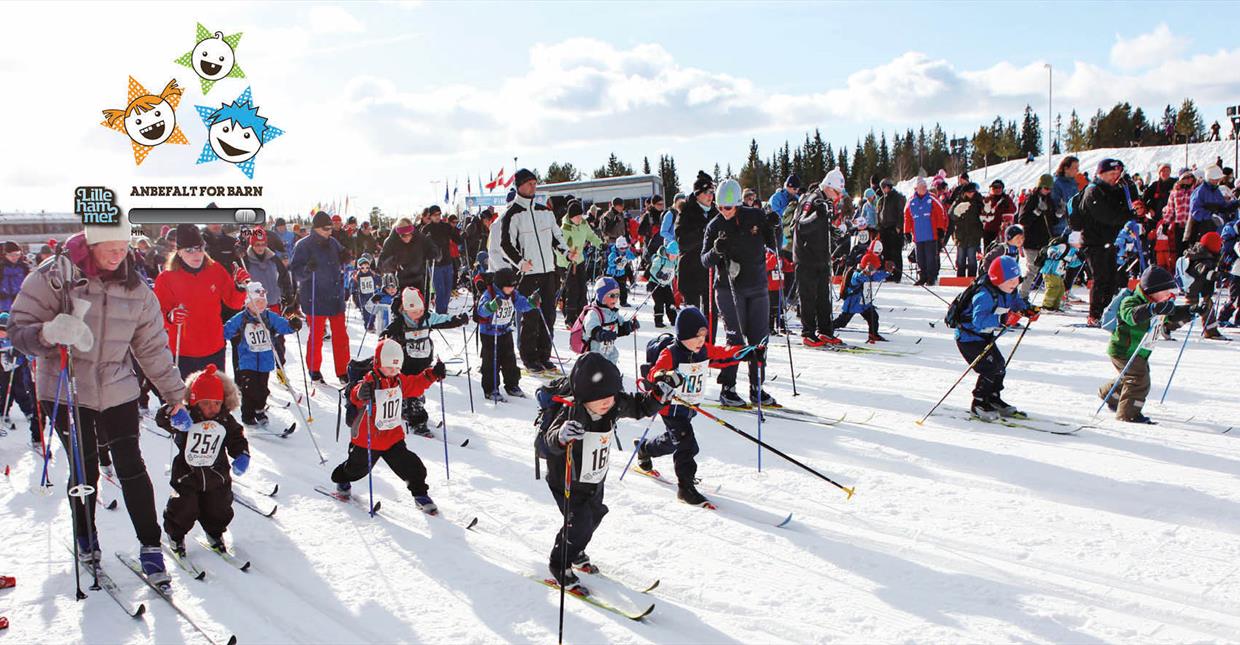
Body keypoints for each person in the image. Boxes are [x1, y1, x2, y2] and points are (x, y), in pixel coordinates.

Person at [10, 213, 187, 588]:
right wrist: (48, 332)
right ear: (90, 242)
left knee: (131, 465)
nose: (117, 254)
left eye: (123, 247)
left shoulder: (137, 290)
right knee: (84, 465)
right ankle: (86, 536)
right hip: (66, 386)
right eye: (110, 246)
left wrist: (174, 394)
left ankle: (150, 546)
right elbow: (17, 329)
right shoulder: (55, 277)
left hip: (117, 387)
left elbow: (153, 348)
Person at [536, 352, 666, 594]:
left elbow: (639, 406)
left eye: (611, 396)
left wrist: (658, 396)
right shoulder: (571, 413)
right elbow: (545, 443)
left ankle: (575, 550)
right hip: (567, 479)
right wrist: (562, 437)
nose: (608, 402)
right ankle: (559, 563)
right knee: (580, 521)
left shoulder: (613, 404)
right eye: (600, 398)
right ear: (584, 396)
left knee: (595, 514)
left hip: (594, 477)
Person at [636, 307, 744, 506]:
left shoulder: (703, 350)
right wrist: (664, 377)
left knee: (673, 440)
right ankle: (685, 489)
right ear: (683, 335)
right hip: (672, 408)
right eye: (696, 336)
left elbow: (723, 355)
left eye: (703, 336)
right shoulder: (671, 353)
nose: (701, 341)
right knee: (687, 445)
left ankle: (645, 448)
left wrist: (746, 353)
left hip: (690, 406)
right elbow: (654, 373)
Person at [333, 339, 445, 514]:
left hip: (392, 437)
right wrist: (361, 393)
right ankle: (343, 480)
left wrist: (432, 374)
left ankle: (420, 495)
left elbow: (415, 384)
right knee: (356, 469)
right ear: (378, 364)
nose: (393, 371)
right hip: (367, 438)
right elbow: (356, 394)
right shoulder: (370, 381)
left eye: (396, 368)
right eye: (389, 367)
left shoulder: (398, 381)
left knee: (413, 467)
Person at [156, 364, 249, 557]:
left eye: (216, 403)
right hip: (187, 474)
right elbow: (162, 418)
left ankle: (215, 532)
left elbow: (236, 437)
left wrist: (242, 455)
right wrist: (173, 415)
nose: (212, 408)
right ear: (195, 402)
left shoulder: (225, 419)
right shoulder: (188, 417)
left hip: (217, 474)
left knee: (219, 508)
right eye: (206, 403)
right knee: (184, 507)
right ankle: (175, 534)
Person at [703, 178, 776, 407]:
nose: (724, 212)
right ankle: (728, 388)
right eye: (720, 207)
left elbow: (773, 242)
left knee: (760, 339)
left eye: (729, 207)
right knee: (735, 339)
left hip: (757, 286)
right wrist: (716, 250)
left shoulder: (754, 216)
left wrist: (774, 227)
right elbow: (705, 261)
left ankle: (757, 387)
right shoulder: (714, 226)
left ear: (737, 204)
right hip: (728, 289)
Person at [491, 169, 567, 374]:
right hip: (528, 273)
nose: (533, 187)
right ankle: (529, 357)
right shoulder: (512, 213)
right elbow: (505, 245)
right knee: (530, 316)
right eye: (529, 183)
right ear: (519, 186)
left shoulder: (545, 211)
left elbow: (556, 236)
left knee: (549, 315)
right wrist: (520, 262)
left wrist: (567, 253)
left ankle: (544, 355)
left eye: (535, 183)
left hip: (548, 270)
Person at [1100, 266, 1193, 423]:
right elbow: (1131, 316)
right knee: (1139, 379)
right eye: (1164, 291)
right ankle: (1128, 414)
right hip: (1123, 350)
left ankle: (1111, 395)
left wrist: (1190, 311)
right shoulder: (1131, 301)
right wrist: (1153, 309)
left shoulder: (1159, 303)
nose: (1168, 294)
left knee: (1130, 376)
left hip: (1139, 351)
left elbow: (1170, 317)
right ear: (1152, 291)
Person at [155, 224, 249, 377]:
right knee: (188, 397)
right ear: (178, 252)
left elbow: (234, 303)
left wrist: (239, 287)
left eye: (199, 248)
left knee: (215, 396)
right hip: (183, 350)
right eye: (189, 250)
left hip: (213, 347)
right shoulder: (166, 278)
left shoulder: (215, 270)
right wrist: (170, 317)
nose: (196, 255)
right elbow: (158, 314)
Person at [954, 256, 1037, 421]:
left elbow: (1016, 302)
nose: (1014, 284)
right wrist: (1003, 320)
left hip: (984, 336)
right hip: (968, 338)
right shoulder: (984, 295)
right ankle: (978, 403)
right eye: (1010, 281)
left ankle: (992, 397)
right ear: (997, 279)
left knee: (999, 365)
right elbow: (978, 321)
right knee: (989, 368)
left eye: (1016, 280)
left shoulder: (1008, 290)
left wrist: (1028, 310)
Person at [379, 286, 468, 436]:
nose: (418, 314)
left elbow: (443, 320)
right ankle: (416, 420)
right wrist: (385, 336)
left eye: (420, 310)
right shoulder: (400, 322)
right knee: (409, 391)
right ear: (405, 310)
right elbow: (389, 332)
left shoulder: (427, 317)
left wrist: (458, 320)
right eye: (414, 312)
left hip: (422, 361)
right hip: (405, 363)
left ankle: (412, 412)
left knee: (416, 391)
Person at [223, 283, 301, 426]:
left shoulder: (270, 316)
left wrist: (292, 325)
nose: (259, 304)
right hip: (247, 360)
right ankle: (248, 415)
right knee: (249, 389)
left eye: (262, 301)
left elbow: (283, 326)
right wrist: (225, 332)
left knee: (263, 389)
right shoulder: (241, 318)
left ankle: (259, 409)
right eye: (256, 301)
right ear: (248, 303)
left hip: (265, 360)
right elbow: (226, 330)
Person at [289, 211, 350, 384]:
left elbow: (343, 257)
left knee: (341, 336)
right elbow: (296, 273)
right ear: (315, 228)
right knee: (316, 336)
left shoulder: (333, 242)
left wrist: (346, 256)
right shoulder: (303, 245)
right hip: (315, 297)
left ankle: (343, 370)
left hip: (334, 295)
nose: (329, 231)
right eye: (326, 228)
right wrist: (307, 269)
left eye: (331, 228)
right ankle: (314, 369)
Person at [793, 170, 847, 347]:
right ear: (828, 187)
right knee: (808, 296)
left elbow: (822, 225)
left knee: (824, 296)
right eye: (837, 192)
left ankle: (825, 330)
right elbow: (801, 225)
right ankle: (808, 332)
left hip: (822, 256)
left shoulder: (826, 202)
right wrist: (818, 215)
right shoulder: (812, 199)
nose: (838, 197)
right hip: (806, 257)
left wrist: (833, 232)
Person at [1077, 158, 1133, 326]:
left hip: (1108, 241)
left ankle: (1105, 312)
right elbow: (1107, 216)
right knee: (1101, 278)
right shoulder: (1094, 191)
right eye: (1111, 174)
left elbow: (1128, 204)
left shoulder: (1112, 189)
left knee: (1111, 278)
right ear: (1101, 173)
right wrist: (1128, 215)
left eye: (1117, 174)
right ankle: (1094, 314)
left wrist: (1130, 187)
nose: (1114, 177)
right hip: (1094, 241)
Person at [476, 267, 536, 401]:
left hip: (505, 332)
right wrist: (490, 307)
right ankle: (491, 389)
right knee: (491, 362)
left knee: (510, 361)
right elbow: (481, 311)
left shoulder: (512, 294)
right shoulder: (489, 294)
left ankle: (512, 385)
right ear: (500, 285)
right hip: (490, 334)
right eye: (508, 287)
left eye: (513, 287)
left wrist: (531, 303)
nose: (511, 289)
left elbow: (521, 304)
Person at [675, 172, 716, 312]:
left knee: (711, 312)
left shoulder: (715, 211)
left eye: (712, 192)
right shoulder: (686, 211)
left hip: (710, 270)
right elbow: (682, 242)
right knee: (693, 315)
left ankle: (711, 335)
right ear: (698, 194)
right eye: (707, 192)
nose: (711, 196)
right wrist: (704, 233)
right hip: (691, 270)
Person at [578, 277, 638, 366]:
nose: (615, 299)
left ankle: (610, 376)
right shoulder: (594, 313)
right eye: (612, 295)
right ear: (601, 296)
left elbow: (619, 328)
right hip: (593, 350)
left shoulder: (614, 312)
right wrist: (601, 334)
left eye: (617, 295)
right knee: (596, 365)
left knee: (614, 355)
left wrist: (629, 326)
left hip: (608, 348)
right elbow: (591, 328)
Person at [832, 252, 890, 342]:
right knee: (842, 321)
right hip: (853, 303)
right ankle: (826, 331)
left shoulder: (869, 273)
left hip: (864, 303)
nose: (875, 270)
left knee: (873, 317)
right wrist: (864, 273)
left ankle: (873, 335)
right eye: (875, 268)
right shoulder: (856, 273)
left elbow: (876, 276)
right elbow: (857, 279)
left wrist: (887, 272)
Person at [1179, 232, 1226, 339]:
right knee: (1189, 312)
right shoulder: (1200, 257)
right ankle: (1168, 325)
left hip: (1203, 288)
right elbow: (1202, 270)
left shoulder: (1208, 256)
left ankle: (1211, 331)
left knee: (1208, 308)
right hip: (1193, 289)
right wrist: (1215, 275)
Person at [903, 177, 948, 286]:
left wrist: (941, 228)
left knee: (930, 257)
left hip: (931, 234)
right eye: (921, 187)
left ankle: (931, 277)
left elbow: (941, 214)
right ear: (916, 188)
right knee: (920, 258)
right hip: (918, 235)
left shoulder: (932, 198)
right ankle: (922, 276)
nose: (924, 189)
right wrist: (907, 231)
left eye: (925, 187)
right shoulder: (911, 201)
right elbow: (907, 217)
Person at [558, 199, 596, 326]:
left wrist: (600, 244)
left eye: (581, 215)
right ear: (571, 217)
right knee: (572, 290)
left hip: (579, 261)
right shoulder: (564, 229)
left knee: (582, 288)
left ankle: (583, 315)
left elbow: (590, 235)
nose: (580, 218)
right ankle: (570, 318)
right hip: (566, 264)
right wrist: (568, 258)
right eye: (578, 216)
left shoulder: (583, 224)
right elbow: (558, 248)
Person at [0, 312, 37, 441]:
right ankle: (3, 411)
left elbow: (24, 350)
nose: (2, 332)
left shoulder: (15, 338)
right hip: (3, 369)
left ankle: (27, 410)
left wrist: (17, 352)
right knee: (4, 390)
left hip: (17, 367)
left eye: (4, 329)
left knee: (20, 389)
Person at [422, 205, 464, 314]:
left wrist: (462, 236)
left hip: (447, 262)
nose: (437, 217)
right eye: (435, 215)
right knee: (440, 291)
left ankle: (443, 311)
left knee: (448, 290)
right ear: (430, 216)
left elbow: (457, 239)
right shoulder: (426, 229)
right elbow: (421, 246)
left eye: (439, 214)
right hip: (435, 264)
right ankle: (440, 313)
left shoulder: (446, 226)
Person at [379, 216, 437, 293]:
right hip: (400, 281)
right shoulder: (391, 241)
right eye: (403, 235)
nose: (407, 237)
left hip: (419, 279)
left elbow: (432, 248)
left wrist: (434, 253)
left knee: (419, 303)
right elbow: (381, 264)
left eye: (409, 234)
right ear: (398, 234)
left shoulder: (420, 237)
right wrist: (394, 261)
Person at [1187, 165, 1240, 244]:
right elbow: (1195, 210)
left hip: (1214, 228)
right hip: (1201, 229)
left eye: (1217, 179)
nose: (1217, 181)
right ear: (1209, 178)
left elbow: (1223, 206)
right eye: (1214, 179)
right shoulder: (1200, 191)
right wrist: (1210, 215)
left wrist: (1236, 203)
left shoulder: (1216, 190)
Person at [1038, 232, 1085, 311]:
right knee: (1053, 288)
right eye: (1081, 242)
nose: (1082, 244)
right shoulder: (1063, 246)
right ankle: (1047, 305)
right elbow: (1052, 248)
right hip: (1050, 271)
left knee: (1061, 288)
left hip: (1058, 273)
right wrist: (1053, 252)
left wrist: (1080, 260)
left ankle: (1056, 305)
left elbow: (1072, 264)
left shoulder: (1074, 251)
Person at [875, 178, 907, 282]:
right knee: (886, 253)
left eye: (885, 187)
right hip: (885, 229)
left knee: (896, 253)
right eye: (882, 187)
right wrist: (879, 228)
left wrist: (899, 226)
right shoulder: (882, 199)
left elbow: (901, 213)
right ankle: (888, 273)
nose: (884, 189)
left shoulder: (897, 197)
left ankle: (897, 275)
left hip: (894, 228)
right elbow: (878, 214)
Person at [950, 183, 984, 277]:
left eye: (973, 191)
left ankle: (972, 278)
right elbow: (951, 215)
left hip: (974, 234)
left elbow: (984, 214)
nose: (971, 194)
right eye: (969, 192)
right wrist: (957, 212)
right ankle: (960, 278)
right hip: (961, 234)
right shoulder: (958, 200)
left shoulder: (978, 201)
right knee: (961, 259)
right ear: (965, 192)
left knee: (972, 258)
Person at [648, 240, 679, 328]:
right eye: (672, 255)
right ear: (667, 253)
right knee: (659, 302)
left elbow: (676, 271)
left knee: (671, 302)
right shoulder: (659, 259)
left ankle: (674, 320)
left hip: (666, 285)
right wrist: (660, 274)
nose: (673, 257)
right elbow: (652, 269)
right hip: (655, 283)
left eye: (675, 256)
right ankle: (658, 321)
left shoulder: (674, 261)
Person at [765, 247, 794, 334]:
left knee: (781, 308)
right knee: (771, 308)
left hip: (779, 286)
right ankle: (769, 328)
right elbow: (767, 266)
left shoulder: (780, 256)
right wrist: (775, 257)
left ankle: (781, 326)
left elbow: (786, 267)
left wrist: (795, 264)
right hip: (770, 287)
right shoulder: (767, 254)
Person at [768, 174, 801, 249]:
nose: (796, 191)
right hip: (780, 236)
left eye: (798, 189)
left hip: (794, 235)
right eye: (795, 189)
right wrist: (789, 208)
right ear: (788, 186)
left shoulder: (796, 197)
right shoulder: (776, 198)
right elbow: (775, 217)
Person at [981, 180, 1016, 249]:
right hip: (988, 230)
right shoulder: (987, 199)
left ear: (1002, 189)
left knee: (1001, 252)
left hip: (1001, 231)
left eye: (999, 187)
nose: (997, 190)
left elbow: (1013, 210)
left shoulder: (1007, 199)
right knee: (988, 252)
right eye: (994, 188)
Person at [0, 240, 31, 315]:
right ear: (5, 255)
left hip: (22, 302)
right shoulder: (2, 268)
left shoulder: (24, 267)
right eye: (11, 255)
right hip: (4, 304)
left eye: (17, 254)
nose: (14, 257)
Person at [605, 237, 636, 307]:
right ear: (618, 247)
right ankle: (609, 301)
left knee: (623, 288)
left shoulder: (626, 252)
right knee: (612, 289)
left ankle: (623, 302)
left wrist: (635, 254)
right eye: (622, 248)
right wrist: (615, 261)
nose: (624, 250)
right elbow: (610, 263)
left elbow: (632, 256)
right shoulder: (613, 254)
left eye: (625, 248)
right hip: (612, 274)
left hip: (621, 273)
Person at [351, 254, 379, 330]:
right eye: (363, 268)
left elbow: (378, 281)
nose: (365, 269)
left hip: (371, 295)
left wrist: (376, 277)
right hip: (362, 296)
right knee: (365, 312)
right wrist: (353, 290)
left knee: (372, 311)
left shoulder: (371, 274)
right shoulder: (357, 276)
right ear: (359, 268)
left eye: (367, 268)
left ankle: (371, 324)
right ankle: (367, 325)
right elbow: (353, 285)